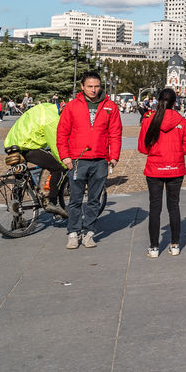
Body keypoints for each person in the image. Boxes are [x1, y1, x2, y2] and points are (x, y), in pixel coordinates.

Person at [57, 71, 123, 249]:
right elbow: (62, 133)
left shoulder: (110, 106)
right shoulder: (72, 106)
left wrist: (114, 156)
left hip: (100, 160)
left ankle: (89, 232)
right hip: (78, 160)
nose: (93, 90)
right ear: (82, 87)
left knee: (94, 200)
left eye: (96, 86)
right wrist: (65, 156)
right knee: (75, 200)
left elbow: (115, 133)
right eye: (90, 86)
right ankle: (73, 232)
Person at [138, 88, 186, 257]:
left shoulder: (149, 120)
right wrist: (175, 152)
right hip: (175, 168)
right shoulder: (182, 122)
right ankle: (175, 244)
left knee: (155, 207)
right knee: (173, 206)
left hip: (155, 167)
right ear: (175, 103)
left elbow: (142, 147)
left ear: (158, 101)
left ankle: (154, 247)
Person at [5, 101, 68, 216]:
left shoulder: (45, 107)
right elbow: (56, 145)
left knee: (20, 180)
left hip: (11, 144)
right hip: (27, 145)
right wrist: (64, 161)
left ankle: (17, 219)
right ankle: (52, 202)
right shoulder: (52, 119)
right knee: (58, 168)